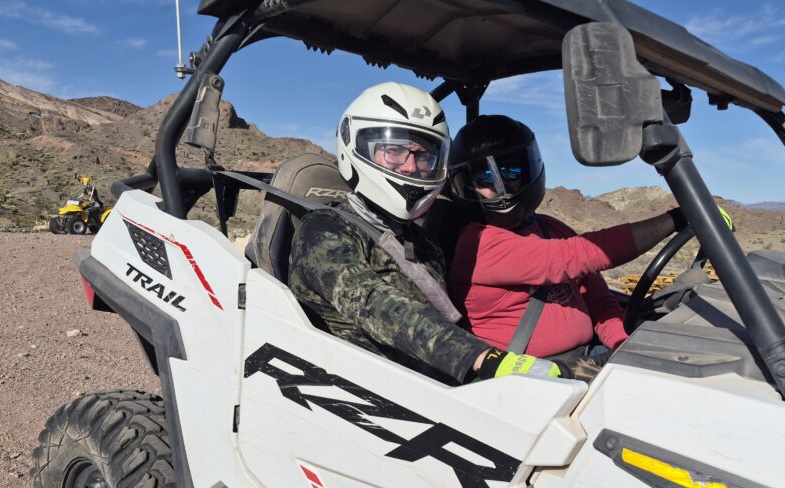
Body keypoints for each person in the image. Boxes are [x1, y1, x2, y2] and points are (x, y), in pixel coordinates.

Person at [286, 83, 567, 385]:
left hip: (437, 387)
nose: (410, 168)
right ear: (358, 145)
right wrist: (481, 357)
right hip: (369, 389)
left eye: (424, 157)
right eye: (393, 151)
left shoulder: (422, 242)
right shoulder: (325, 229)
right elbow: (375, 304)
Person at [447, 115, 691, 377]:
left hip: (586, 362)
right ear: (467, 185)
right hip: (527, 376)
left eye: (510, 171)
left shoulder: (550, 227)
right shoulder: (478, 243)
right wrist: (675, 219)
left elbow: (598, 300)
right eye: (486, 178)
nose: (501, 185)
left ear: (529, 168)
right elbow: (573, 258)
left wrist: (623, 344)